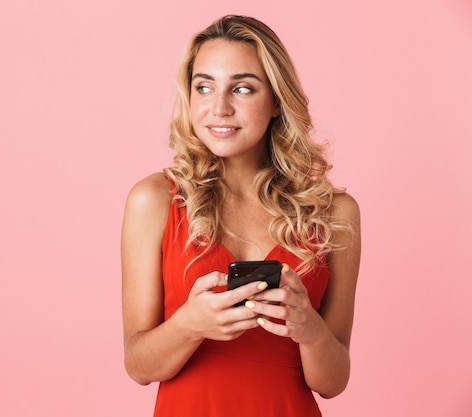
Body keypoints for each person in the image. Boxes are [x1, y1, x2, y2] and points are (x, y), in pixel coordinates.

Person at [121, 15, 361, 417]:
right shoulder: (154, 200)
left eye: (243, 88)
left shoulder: (335, 213)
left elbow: (332, 383)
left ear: (276, 101)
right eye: (204, 87)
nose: (219, 108)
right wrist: (189, 325)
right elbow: (138, 365)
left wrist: (309, 329)